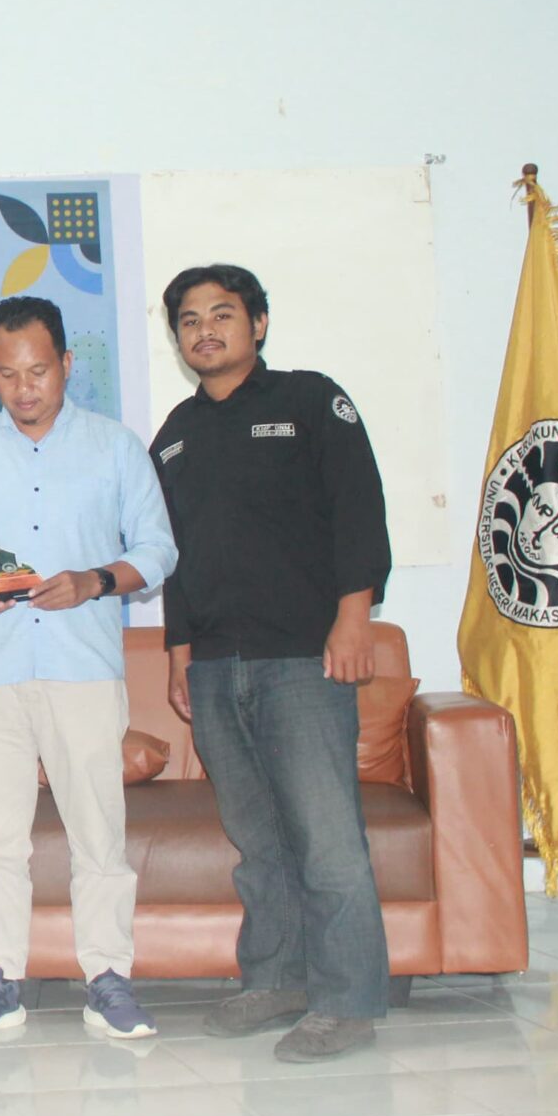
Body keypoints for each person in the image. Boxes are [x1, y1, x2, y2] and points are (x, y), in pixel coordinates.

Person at [152, 264, 394, 1063]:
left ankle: (347, 1000)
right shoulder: (174, 436)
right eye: (190, 320)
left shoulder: (310, 401)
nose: (206, 331)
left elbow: (358, 507)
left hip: (304, 659)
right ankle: (276, 978)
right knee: (258, 842)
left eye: (222, 314)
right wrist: (180, 655)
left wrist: (354, 616)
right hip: (216, 669)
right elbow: (173, 558)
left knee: (327, 840)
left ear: (258, 322)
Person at [0, 296, 177, 1040]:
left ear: (67, 363)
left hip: (82, 666)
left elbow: (158, 550)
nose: (24, 388)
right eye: (8, 374)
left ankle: (108, 977)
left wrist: (94, 581)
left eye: (38, 370)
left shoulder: (115, 447)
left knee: (99, 833)